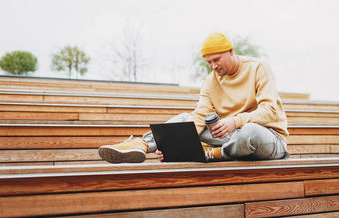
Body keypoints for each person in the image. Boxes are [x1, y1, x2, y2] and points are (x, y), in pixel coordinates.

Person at [98, 33, 289, 163]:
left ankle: (214, 154)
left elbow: (269, 111)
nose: (213, 66)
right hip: (232, 139)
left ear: (231, 51)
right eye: (208, 62)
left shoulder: (258, 68)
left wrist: (235, 121)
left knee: (249, 131)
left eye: (216, 60)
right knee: (184, 119)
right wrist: (173, 144)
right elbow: (199, 117)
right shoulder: (209, 82)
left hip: (268, 139)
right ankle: (142, 143)